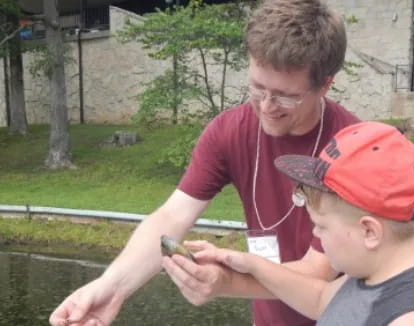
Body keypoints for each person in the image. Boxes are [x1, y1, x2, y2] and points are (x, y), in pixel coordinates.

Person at [49, 0, 359, 325]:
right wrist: (110, 288)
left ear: (324, 84)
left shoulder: (352, 147)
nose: (267, 106)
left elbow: (318, 271)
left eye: (285, 96)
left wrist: (225, 282)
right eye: (257, 87)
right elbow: (172, 215)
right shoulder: (229, 131)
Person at [171, 121, 414, 326]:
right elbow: (320, 298)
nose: (315, 233)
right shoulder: (377, 270)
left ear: (369, 231)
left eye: (322, 225)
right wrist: (246, 263)